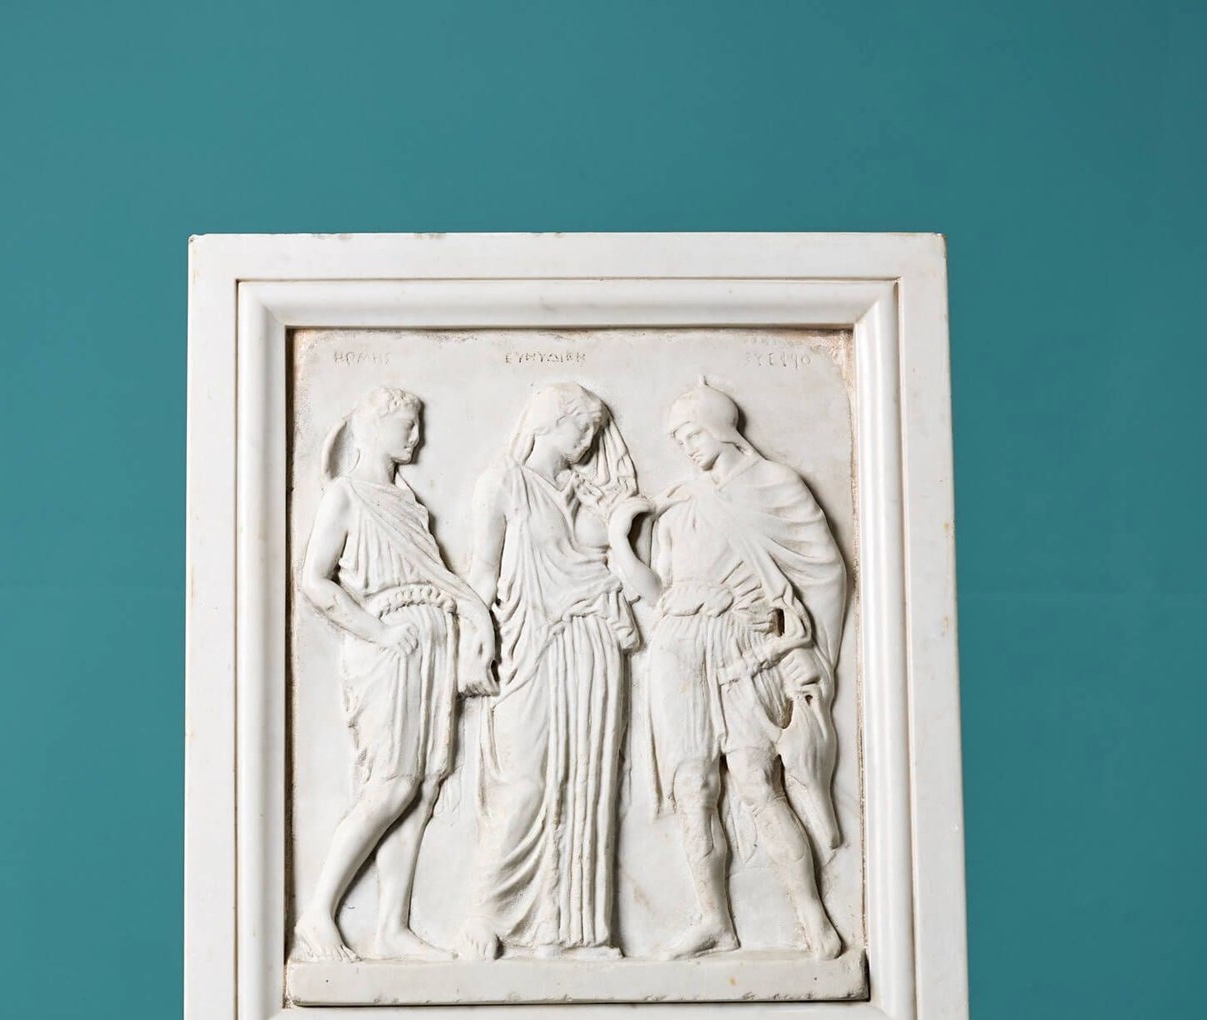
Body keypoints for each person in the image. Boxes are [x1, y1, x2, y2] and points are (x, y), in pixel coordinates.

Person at [608, 381, 847, 959]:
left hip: (742, 647)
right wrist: (620, 537)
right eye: (678, 438)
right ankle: (715, 919)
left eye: (693, 433)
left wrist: (793, 639)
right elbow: (657, 594)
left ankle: (813, 917)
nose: (687, 446)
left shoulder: (775, 485)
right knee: (694, 787)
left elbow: (824, 572)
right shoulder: (680, 503)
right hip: (678, 648)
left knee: (758, 781)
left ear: (721, 427)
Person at [292, 388, 494, 962]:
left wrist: (470, 626)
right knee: (393, 784)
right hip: (391, 645)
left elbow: (439, 577)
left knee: (423, 788)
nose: (416, 437)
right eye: (406, 425)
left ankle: (391, 928)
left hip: (431, 643)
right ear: (371, 428)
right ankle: (318, 913)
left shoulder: (408, 503)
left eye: (418, 425)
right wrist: (377, 632)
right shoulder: (346, 494)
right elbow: (315, 580)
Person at [457, 382, 649, 959]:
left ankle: (569, 932)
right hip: (529, 648)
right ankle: (484, 915)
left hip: (592, 647)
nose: (588, 438)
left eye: (595, 429)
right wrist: (473, 644)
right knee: (525, 784)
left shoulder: (586, 493)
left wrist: (617, 523)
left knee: (585, 785)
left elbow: (617, 566)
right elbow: (483, 571)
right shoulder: (502, 481)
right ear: (546, 421)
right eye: (579, 425)